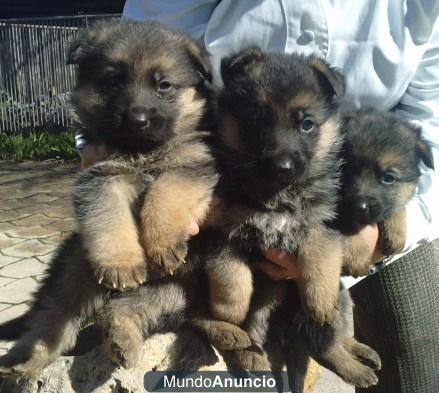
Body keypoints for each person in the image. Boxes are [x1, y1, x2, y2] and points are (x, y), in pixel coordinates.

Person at [78, 2, 439, 392]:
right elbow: (138, 56)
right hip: (212, 164)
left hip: (357, 187)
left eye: (304, 124)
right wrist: (106, 153)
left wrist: (391, 229)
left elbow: (428, 123)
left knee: (420, 359)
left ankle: (326, 342)